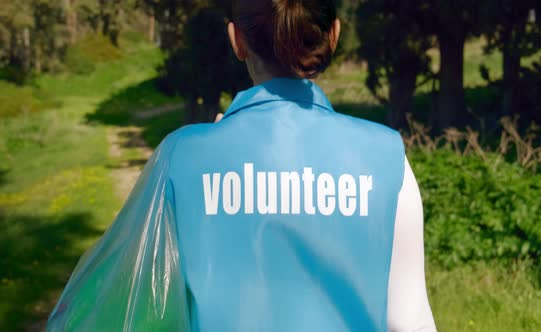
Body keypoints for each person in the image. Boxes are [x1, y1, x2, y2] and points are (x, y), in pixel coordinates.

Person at [47, 0, 436, 331]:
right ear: (333, 34)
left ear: (237, 41)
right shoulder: (386, 156)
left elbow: (112, 302)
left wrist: (213, 151)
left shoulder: (181, 156)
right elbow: (410, 321)